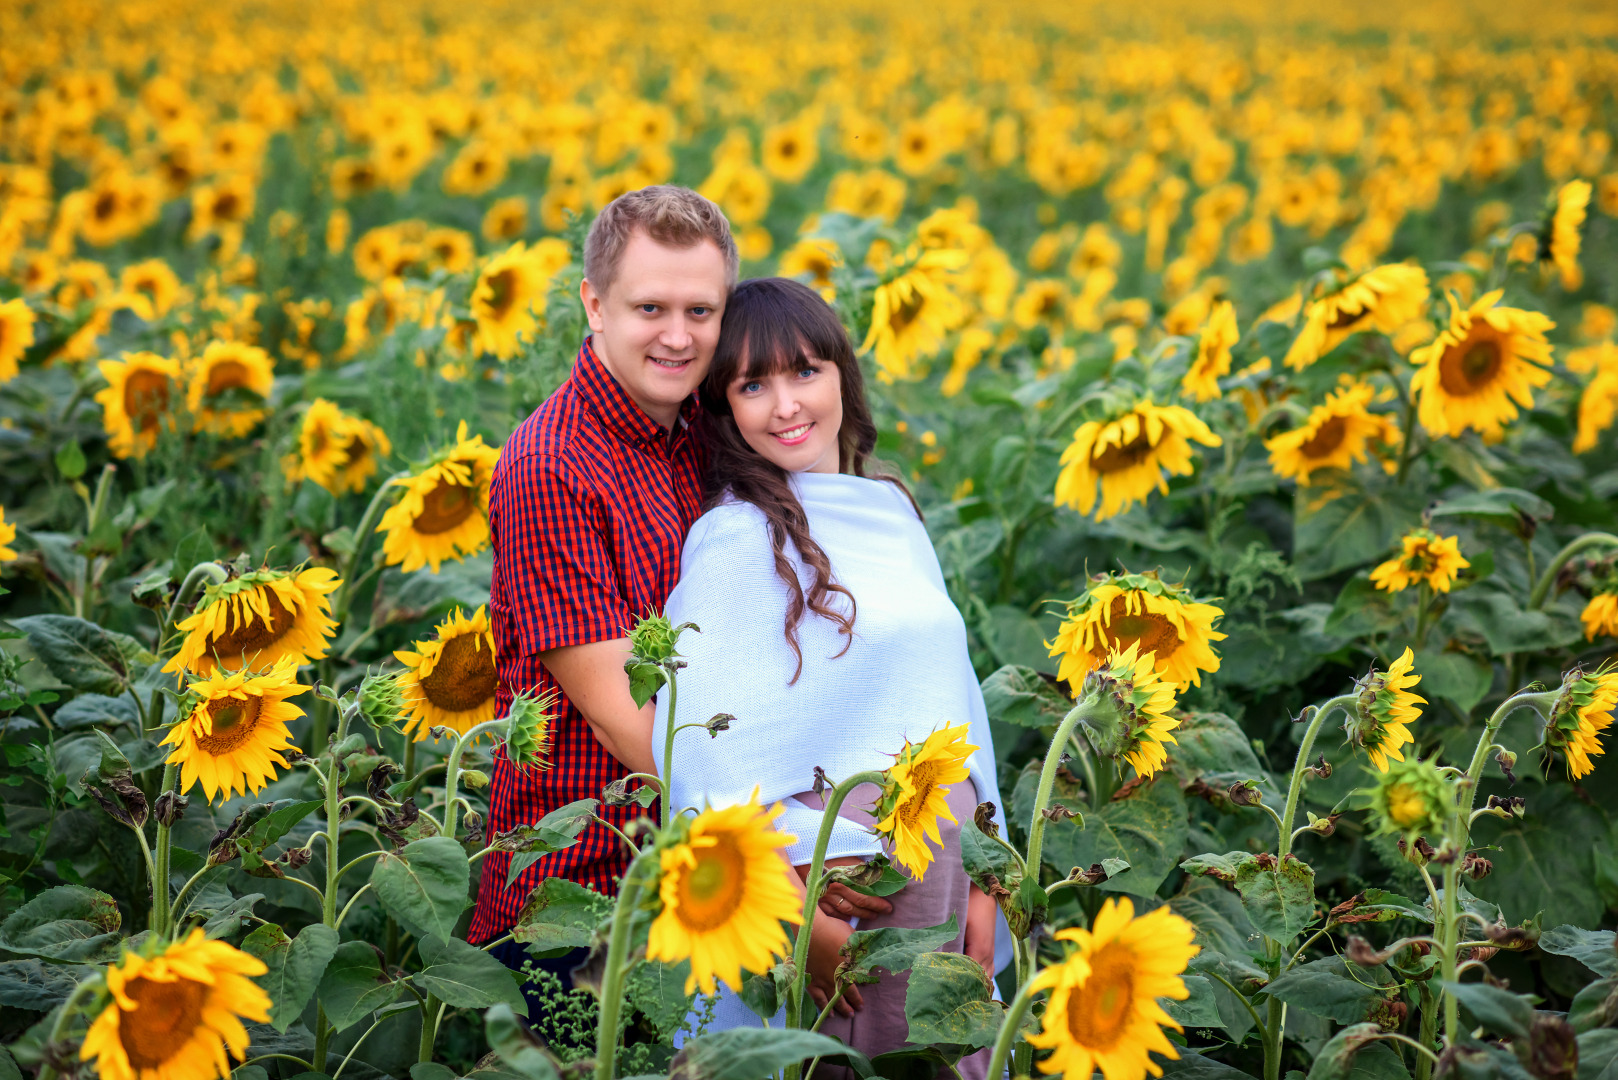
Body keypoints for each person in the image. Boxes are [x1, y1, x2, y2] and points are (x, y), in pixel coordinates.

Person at [651, 277, 1005, 1073]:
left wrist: (992, 879)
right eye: (753, 385)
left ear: (843, 372)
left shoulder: (889, 512)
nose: (785, 406)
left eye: (804, 371)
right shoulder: (734, 537)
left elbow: (955, 704)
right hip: (844, 896)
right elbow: (699, 752)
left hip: (947, 873)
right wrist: (798, 922)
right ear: (724, 408)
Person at [470, 185, 737, 990]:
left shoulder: (698, 428)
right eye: (650, 307)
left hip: (683, 876)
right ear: (594, 304)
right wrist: (780, 854)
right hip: (578, 900)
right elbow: (632, 731)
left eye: (702, 310)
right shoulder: (552, 466)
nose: (679, 336)